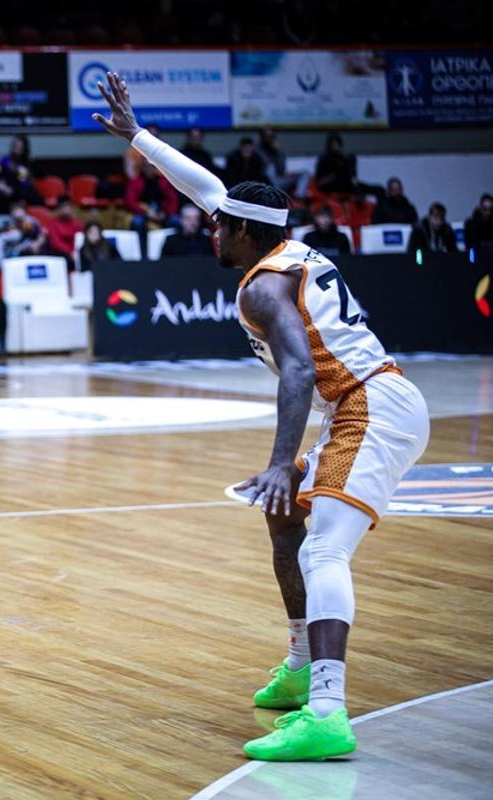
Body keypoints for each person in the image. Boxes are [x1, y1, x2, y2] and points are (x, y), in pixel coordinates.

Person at [96, 69, 429, 763]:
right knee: (285, 519)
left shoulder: (264, 289)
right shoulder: (274, 241)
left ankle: (329, 714)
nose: (209, 228)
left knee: (324, 548)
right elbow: (209, 189)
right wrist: (140, 138)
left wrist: (283, 460)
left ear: (244, 234)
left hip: (372, 405)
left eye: (220, 227)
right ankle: (303, 663)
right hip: (361, 406)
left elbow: (302, 370)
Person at [125, 161, 179, 235]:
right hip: (143, 213)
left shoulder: (164, 181)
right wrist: (146, 212)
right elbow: (130, 202)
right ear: (143, 168)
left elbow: (173, 200)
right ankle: (143, 246)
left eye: (152, 166)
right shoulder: (135, 182)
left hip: (162, 213)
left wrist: (166, 213)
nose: (149, 169)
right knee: (137, 222)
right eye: (147, 166)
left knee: (175, 220)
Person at [463, 193, 493, 258]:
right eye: (485, 209)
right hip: (476, 260)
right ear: (480, 208)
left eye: (491, 209)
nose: (488, 212)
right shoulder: (470, 224)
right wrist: (471, 261)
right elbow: (469, 247)